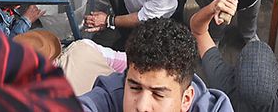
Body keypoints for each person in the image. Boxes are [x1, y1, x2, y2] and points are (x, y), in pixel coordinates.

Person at [79, 17, 230, 112]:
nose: (142, 106)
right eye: (135, 88)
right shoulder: (112, 95)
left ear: (186, 100)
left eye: (158, 94)